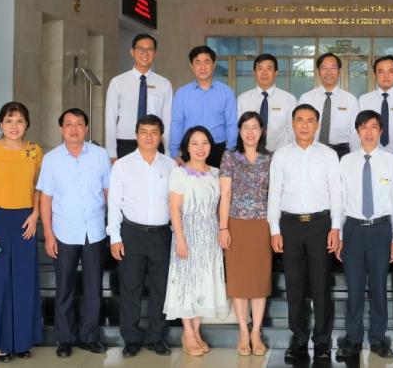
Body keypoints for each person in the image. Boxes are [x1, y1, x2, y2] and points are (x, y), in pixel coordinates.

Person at [268, 104, 342, 362]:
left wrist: (336, 227)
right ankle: (299, 339)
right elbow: (274, 194)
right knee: (295, 286)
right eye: (299, 120)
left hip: (320, 225)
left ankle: (322, 341)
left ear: (317, 125)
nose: (304, 125)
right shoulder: (281, 155)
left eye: (310, 120)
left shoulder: (329, 155)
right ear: (292, 123)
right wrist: (274, 229)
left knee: (321, 286)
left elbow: (336, 192)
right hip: (289, 226)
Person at [37, 108, 111, 358]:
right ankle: (65, 338)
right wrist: (48, 234)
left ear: (86, 128)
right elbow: (45, 199)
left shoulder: (100, 155)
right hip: (64, 232)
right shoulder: (51, 159)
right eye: (68, 124)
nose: (74, 129)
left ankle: (89, 336)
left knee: (93, 287)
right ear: (61, 129)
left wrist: (113, 229)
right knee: (64, 287)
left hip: (95, 232)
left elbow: (109, 193)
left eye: (79, 124)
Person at [0, 102, 43, 362]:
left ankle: (22, 341)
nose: (14, 126)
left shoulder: (35, 150)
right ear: (0, 124)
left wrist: (35, 214)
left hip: (24, 223)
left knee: (24, 282)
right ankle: (0, 343)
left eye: (19, 120)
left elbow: (38, 187)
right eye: (9, 121)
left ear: (27, 124)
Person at [335, 110, 393, 361]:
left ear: (381, 131)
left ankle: (378, 339)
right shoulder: (346, 161)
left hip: (380, 230)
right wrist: (339, 234)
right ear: (357, 131)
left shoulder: (391, 161)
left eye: (374, 127)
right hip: (353, 229)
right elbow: (340, 200)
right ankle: (352, 339)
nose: (369, 132)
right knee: (353, 288)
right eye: (363, 127)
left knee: (378, 287)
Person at [107, 115, 177, 358]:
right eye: (144, 132)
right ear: (136, 135)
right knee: (131, 288)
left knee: (160, 288)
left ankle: (157, 337)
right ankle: (131, 338)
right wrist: (114, 237)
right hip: (131, 234)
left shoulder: (170, 165)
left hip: (161, 235)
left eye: (154, 132)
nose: (149, 136)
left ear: (160, 136)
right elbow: (114, 203)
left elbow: (175, 203)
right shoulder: (122, 165)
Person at [163, 126, 229, 356]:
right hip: (187, 235)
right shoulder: (179, 173)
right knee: (187, 283)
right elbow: (174, 209)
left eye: (205, 143)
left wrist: (221, 231)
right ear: (187, 147)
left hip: (209, 236)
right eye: (195, 143)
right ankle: (187, 333)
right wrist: (180, 238)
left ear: (211, 146)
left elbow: (221, 206)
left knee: (203, 283)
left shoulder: (216, 173)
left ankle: (196, 331)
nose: (200, 148)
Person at [218, 112, 272, 356]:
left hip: (262, 225)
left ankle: (256, 331)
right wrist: (223, 227)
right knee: (239, 281)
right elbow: (225, 194)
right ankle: (242, 330)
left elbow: (275, 194)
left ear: (262, 131)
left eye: (255, 127)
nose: (250, 132)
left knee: (259, 280)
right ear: (239, 131)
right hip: (236, 224)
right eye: (246, 127)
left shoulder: (270, 159)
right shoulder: (230, 157)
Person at [105, 33, 172, 161]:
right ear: (132, 52)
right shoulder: (117, 82)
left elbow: (167, 120)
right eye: (141, 49)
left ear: (155, 53)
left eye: (150, 49)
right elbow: (110, 118)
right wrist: (111, 152)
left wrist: (167, 150)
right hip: (125, 142)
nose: (145, 53)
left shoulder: (164, 84)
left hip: (154, 142)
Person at [170, 45, 238, 167]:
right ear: (191, 66)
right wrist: (174, 152)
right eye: (198, 63)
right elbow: (177, 123)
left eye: (207, 62)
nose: (202, 67)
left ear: (214, 65)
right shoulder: (182, 93)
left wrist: (230, 151)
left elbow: (231, 123)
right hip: (190, 149)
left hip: (219, 150)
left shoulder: (227, 92)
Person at [299, 52, 359, 159]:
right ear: (318, 71)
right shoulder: (306, 98)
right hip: (311, 150)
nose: (328, 72)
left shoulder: (351, 100)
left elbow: (355, 133)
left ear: (339, 71)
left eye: (333, 68)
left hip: (341, 153)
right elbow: (299, 128)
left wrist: (354, 158)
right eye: (324, 68)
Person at [237, 53, 297, 152]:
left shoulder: (289, 99)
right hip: (251, 154)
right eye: (260, 68)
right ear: (254, 72)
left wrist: (289, 154)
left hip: (280, 154)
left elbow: (293, 131)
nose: (264, 73)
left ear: (276, 73)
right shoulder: (242, 99)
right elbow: (239, 129)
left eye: (269, 68)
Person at [358, 55, 393, 154]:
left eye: (390, 71)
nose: (386, 76)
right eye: (381, 72)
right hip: (372, 154)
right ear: (375, 75)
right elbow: (358, 131)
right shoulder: (364, 100)